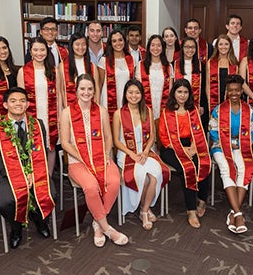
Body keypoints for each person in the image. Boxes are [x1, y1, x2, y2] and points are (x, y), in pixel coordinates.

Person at [60, 74, 128, 247]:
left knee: (114, 181)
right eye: (82, 88)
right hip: (78, 161)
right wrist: (81, 156)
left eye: (90, 89)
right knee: (90, 187)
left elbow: (108, 137)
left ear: (94, 91)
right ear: (76, 91)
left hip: (101, 158)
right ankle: (107, 228)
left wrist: (106, 154)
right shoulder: (66, 113)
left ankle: (97, 222)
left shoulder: (102, 111)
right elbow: (65, 142)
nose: (86, 92)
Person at [0, 87, 56, 249]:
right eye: (13, 101)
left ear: (27, 104)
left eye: (22, 101)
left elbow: (42, 153)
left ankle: (39, 221)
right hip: (7, 175)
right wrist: (18, 175)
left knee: (49, 193)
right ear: (5, 105)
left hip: (35, 171)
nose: (18, 104)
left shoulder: (38, 125)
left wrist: (33, 173)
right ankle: (16, 228)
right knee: (5, 201)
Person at [112, 80, 170, 230]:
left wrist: (145, 152)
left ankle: (144, 210)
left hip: (145, 151)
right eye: (130, 92)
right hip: (126, 154)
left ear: (142, 95)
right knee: (142, 177)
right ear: (125, 94)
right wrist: (132, 154)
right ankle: (144, 209)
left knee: (156, 174)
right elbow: (116, 141)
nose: (134, 95)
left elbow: (152, 136)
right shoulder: (119, 114)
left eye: (137, 92)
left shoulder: (147, 111)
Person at [209, 75, 253, 233]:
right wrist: (228, 142)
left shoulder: (248, 110)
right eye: (231, 90)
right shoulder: (218, 110)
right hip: (220, 147)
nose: (234, 93)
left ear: (242, 91)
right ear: (226, 91)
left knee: (244, 167)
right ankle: (238, 214)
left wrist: (238, 143)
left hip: (240, 147)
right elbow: (213, 131)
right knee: (225, 168)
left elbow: (252, 132)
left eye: (237, 90)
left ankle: (233, 213)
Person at [159, 79, 211, 228]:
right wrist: (181, 149)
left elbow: (198, 132)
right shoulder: (166, 111)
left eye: (185, 92)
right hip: (171, 148)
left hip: (191, 144)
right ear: (174, 93)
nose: (182, 95)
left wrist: (193, 147)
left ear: (190, 94)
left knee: (202, 162)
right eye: (179, 91)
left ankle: (201, 200)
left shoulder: (192, 110)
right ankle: (191, 210)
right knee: (187, 168)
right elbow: (163, 137)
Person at [17, 36, 65, 176]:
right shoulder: (23, 71)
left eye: (42, 50)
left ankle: (48, 177)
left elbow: (60, 95)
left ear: (47, 51)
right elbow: (21, 98)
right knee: (32, 148)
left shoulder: (54, 71)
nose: (39, 53)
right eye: (36, 50)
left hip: (50, 115)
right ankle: (35, 177)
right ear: (30, 52)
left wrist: (60, 115)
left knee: (50, 148)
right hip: (31, 116)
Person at [97, 30, 135, 119]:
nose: (118, 43)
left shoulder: (130, 59)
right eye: (114, 41)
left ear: (124, 41)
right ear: (110, 44)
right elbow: (99, 84)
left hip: (127, 99)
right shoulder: (104, 60)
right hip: (108, 100)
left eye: (120, 40)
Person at [136, 35, 172, 122]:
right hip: (145, 106)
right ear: (148, 47)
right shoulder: (141, 65)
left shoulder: (168, 66)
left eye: (159, 45)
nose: (156, 48)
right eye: (153, 45)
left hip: (163, 106)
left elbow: (170, 89)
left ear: (163, 48)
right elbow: (138, 88)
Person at [173, 37, 207, 118]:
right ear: (182, 48)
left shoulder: (201, 65)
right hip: (178, 103)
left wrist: (201, 104)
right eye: (187, 47)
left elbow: (203, 86)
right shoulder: (174, 64)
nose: (190, 50)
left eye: (192, 47)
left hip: (196, 102)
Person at [205, 34, 239, 113]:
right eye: (220, 44)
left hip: (230, 97)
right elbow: (207, 84)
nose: (223, 47)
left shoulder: (234, 63)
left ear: (230, 46)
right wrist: (209, 100)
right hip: (214, 99)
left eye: (226, 44)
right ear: (217, 46)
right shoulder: (211, 62)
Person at [65, 32, 97, 105]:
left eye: (83, 44)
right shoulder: (63, 66)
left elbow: (96, 90)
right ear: (71, 46)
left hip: (90, 108)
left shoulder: (92, 66)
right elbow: (61, 92)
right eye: (77, 44)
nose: (81, 47)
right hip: (70, 108)